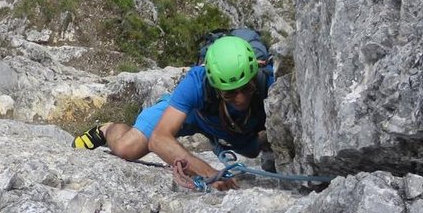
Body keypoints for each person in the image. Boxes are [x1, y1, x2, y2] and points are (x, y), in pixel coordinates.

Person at [73, 34, 273, 191]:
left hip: (232, 124)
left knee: (252, 150)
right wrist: (208, 172)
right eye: (229, 93)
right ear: (214, 84)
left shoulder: (270, 82)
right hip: (192, 114)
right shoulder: (197, 82)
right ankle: (106, 129)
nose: (240, 98)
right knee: (127, 148)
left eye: (246, 88)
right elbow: (159, 139)